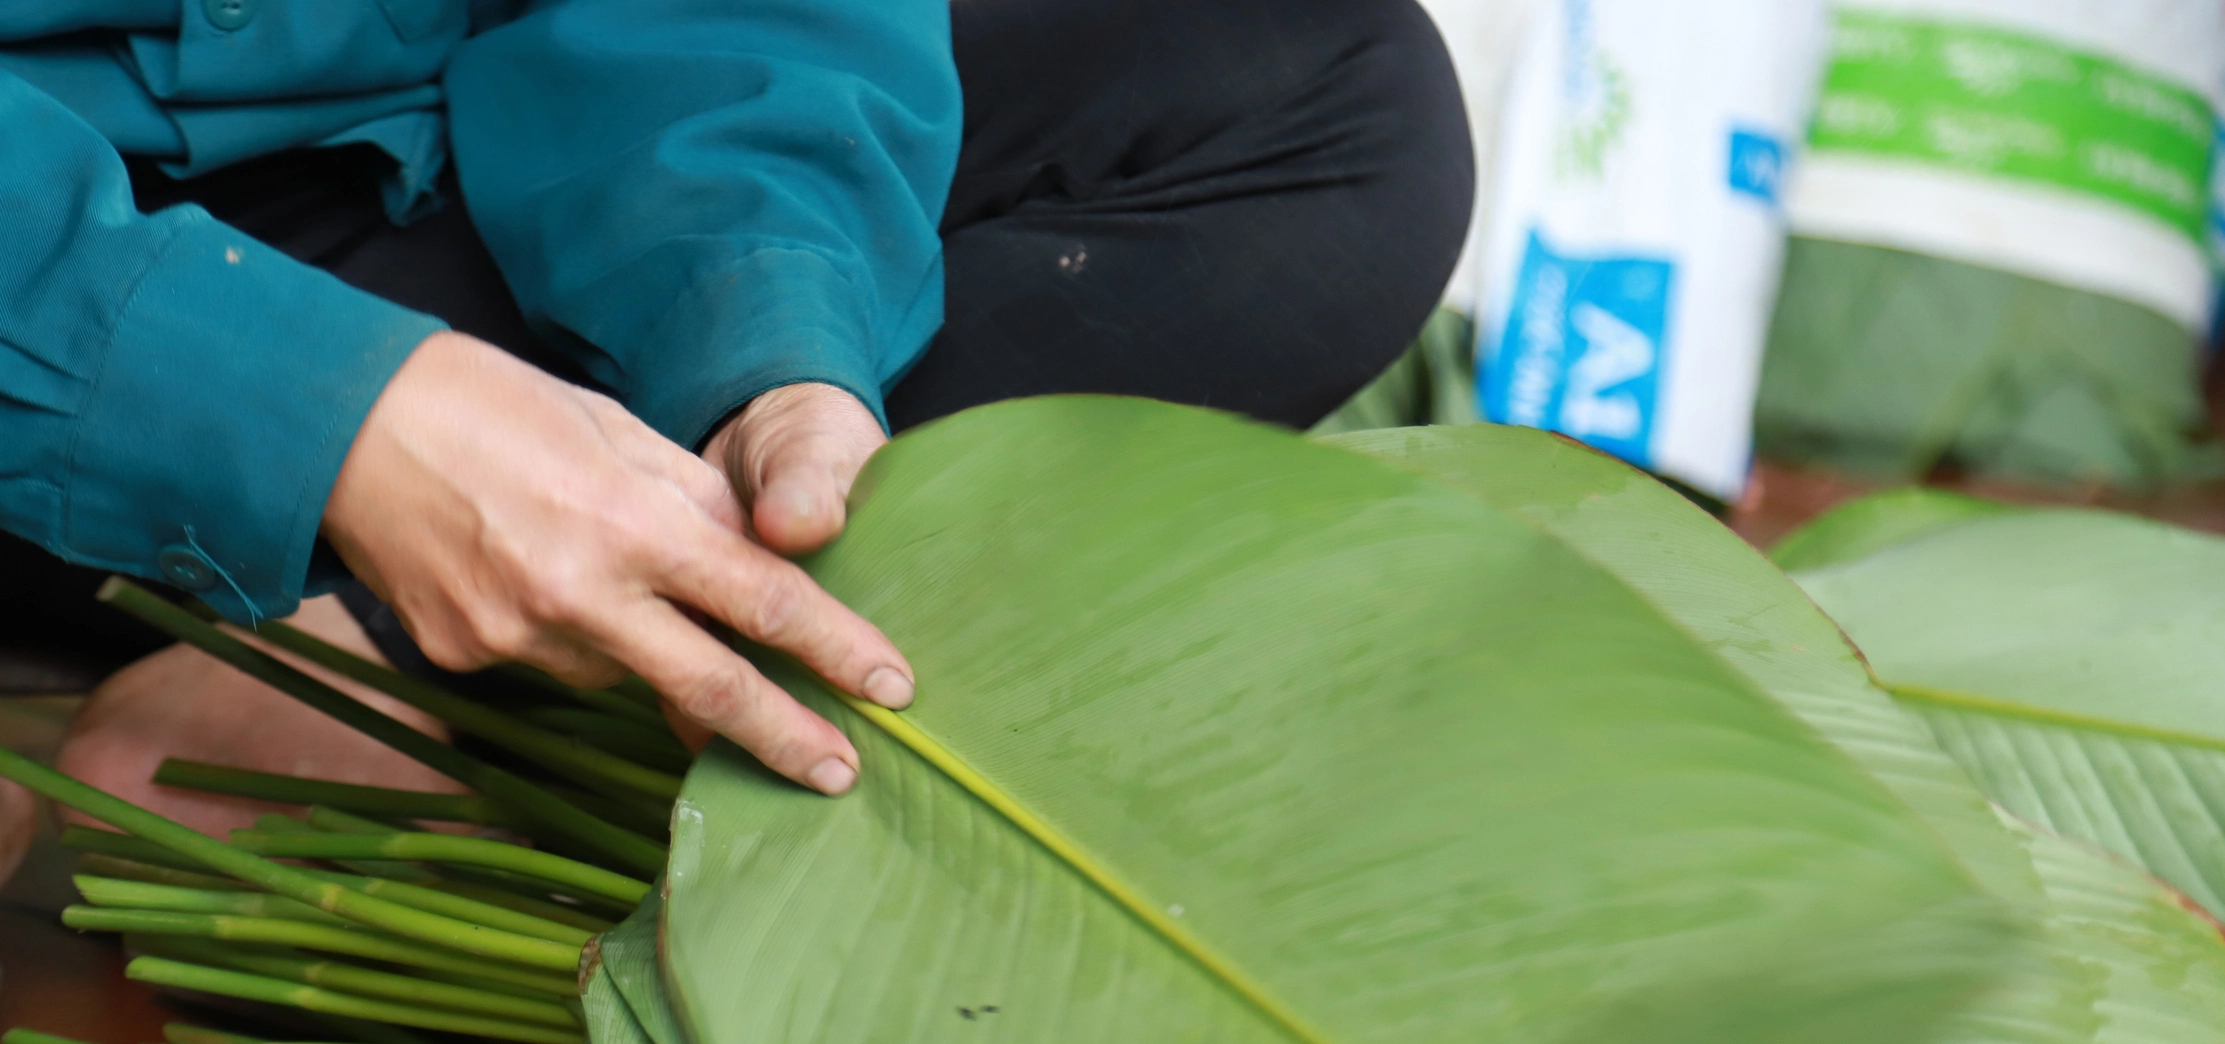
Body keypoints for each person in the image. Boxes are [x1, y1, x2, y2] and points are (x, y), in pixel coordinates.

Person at [0, 0, 1471, 868]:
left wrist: (768, 333)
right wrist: (311, 406)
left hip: (349, 164)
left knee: (1324, 89)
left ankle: (378, 657)